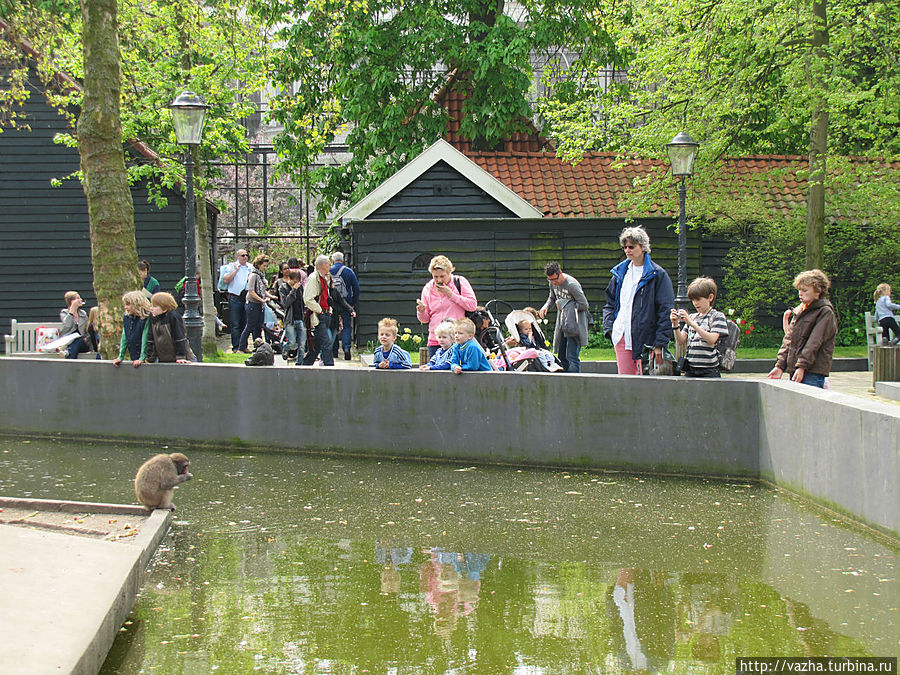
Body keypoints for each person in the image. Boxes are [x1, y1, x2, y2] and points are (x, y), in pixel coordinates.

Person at [603, 226, 675, 375]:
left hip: (646, 339)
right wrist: (610, 329)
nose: (627, 250)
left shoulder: (657, 274)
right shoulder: (619, 274)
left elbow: (665, 309)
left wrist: (660, 342)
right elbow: (610, 304)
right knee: (625, 382)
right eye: (624, 247)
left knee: (649, 384)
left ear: (642, 247)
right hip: (621, 335)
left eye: (631, 246)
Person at [768, 269, 838, 388]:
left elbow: (814, 343)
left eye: (805, 290)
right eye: (799, 290)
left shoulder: (825, 312)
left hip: (812, 372)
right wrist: (780, 365)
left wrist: (802, 367)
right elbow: (789, 339)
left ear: (818, 291)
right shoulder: (800, 310)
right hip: (796, 370)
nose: (800, 293)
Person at [416, 255, 477, 358]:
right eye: (435, 276)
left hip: (456, 338)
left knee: (456, 369)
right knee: (436, 371)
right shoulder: (428, 288)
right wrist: (421, 311)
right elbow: (425, 320)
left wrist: (451, 295)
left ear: (449, 272)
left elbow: (472, 305)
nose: (439, 280)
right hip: (436, 339)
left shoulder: (460, 282)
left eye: (442, 276)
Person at [301, 255, 356, 367]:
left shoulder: (323, 278)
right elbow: (308, 299)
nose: (330, 265)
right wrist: (320, 310)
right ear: (322, 265)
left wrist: (328, 310)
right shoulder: (313, 279)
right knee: (326, 344)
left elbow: (328, 297)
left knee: (316, 347)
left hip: (326, 314)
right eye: (328, 263)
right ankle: (330, 369)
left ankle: (304, 367)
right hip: (319, 315)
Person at [670, 277, 729, 378]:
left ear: (710, 297)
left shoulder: (717, 316)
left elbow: (712, 339)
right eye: (693, 300)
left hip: (709, 370)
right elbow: (681, 341)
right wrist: (675, 325)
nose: (695, 303)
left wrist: (692, 324)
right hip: (691, 368)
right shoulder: (692, 317)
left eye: (698, 299)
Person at [538, 262, 590, 373]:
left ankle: (575, 382)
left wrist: (565, 304)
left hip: (575, 324)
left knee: (571, 356)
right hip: (562, 322)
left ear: (560, 273)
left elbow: (584, 305)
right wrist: (546, 306)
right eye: (550, 280)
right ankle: (564, 380)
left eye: (555, 279)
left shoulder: (572, 285)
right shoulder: (552, 283)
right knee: (561, 355)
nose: (553, 283)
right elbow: (552, 298)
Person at [145, 292, 192, 363]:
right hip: (163, 358)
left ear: (164, 307)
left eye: (154, 306)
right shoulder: (153, 317)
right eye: (151, 306)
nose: (151, 309)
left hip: (180, 358)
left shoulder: (173, 317)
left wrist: (180, 356)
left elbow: (179, 337)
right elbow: (150, 339)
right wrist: (150, 358)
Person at [330, 251, 360, 360]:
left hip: (332, 303)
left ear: (333, 260)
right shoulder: (348, 271)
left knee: (333, 326)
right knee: (347, 326)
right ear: (342, 260)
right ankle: (346, 348)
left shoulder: (329, 271)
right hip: (346, 302)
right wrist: (352, 302)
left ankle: (334, 351)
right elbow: (356, 288)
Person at [220, 249, 252, 353]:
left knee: (245, 322)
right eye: (243, 255)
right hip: (235, 297)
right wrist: (235, 270)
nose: (245, 257)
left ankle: (244, 345)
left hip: (246, 296)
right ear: (238, 256)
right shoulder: (232, 266)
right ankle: (236, 346)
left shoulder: (250, 267)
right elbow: (226, 279)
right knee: (235, 323)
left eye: (246, 255)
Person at [238, 254, 270, 353]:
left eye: (266, 266)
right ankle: (241, 347)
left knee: (258, 327)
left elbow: (263, 290)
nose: (265, 268)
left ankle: (258, 347)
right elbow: (251, 291)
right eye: (264, 266)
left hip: (259, 304)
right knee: (250, 326)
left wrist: (270, 296)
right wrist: (262, 300)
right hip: (252, 304)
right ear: (259, 264)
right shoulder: (253, 275)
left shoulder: (261, 276)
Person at [113, 290, 150, 368]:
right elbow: (125, 336)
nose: (125, 307)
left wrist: (142, 357)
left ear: (137, 304)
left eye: (128, 304)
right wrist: (120, 356)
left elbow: (145, 338)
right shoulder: (127, 317)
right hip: (134, 354)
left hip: (147, 357)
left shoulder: (146, 318)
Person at [279, 269, 307, 364]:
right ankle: (285, 347)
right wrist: (293, 290)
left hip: (300, 318)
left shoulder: (300, 288)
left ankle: (300, 363)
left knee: (302, 344)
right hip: (290, 319)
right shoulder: (283, 288)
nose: (296, 283)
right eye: (294, 281)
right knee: (292, 343)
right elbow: (286, 302)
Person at [59, 290, 90, 359]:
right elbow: (66, 327)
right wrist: (71, 312)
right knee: (74, 341)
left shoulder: (83, 313)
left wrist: (86, 338)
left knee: (78, 339)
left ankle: (68, 354)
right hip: (69, 341)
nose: (81, 299)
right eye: (78, 298)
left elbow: (87, 329)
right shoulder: (64, 313)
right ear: (72, 301)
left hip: (82, 342)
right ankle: (69, 354)